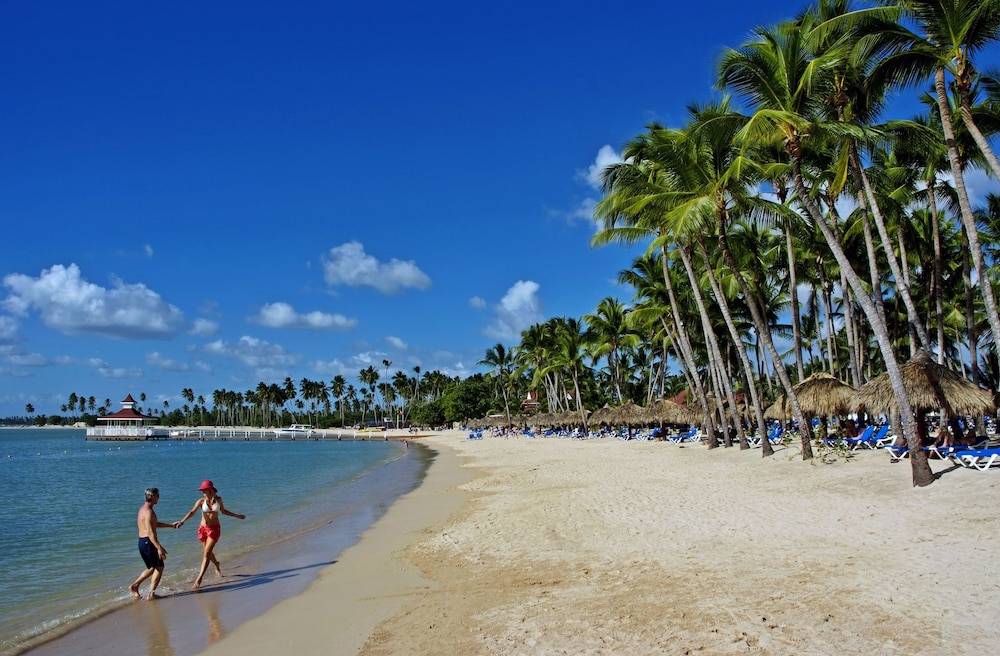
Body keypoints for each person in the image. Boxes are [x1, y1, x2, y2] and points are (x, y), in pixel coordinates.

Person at [176, 480, 245, 590]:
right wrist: (182, 521)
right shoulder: (201, 501)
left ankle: (199, 578)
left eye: (204, 490)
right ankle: (217, 564)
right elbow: (192, 512)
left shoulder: (218, 499)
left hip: (214, 529)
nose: (202, 492)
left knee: (207, 553)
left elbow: (224, 511)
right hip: (203, 529)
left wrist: (237, 516)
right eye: (202, 490)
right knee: (207, 552)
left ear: (210, 489)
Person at [129, 487, 180, 601]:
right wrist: (159, 547)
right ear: (152, 497)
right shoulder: (149, 512)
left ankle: (135, 586)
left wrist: (171, 525)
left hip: (142, 542)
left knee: (153, 567)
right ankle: (151, 594)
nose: (159, 497)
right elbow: (151, 533)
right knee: (160, 567)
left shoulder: (142, 509)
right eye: (157, 495)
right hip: (148, 542)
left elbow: (154, 524)